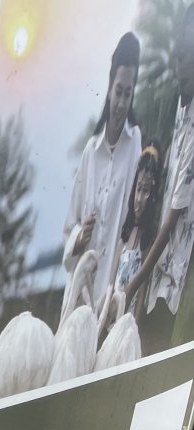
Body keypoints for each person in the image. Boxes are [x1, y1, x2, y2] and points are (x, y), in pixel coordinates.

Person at [62, 32, 143, 313]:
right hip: (79, 300)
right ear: (109, 88)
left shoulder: (135, 144)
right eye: (118, 92)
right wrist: (79, 237)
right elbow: (69, 226)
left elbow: (134, 221)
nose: (121, 104)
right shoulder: (90, 152)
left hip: (110, 299)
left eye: (128, 94)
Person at [131, 8, 194, 353]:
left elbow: (171, 222)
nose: (180, 67)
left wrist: (134, 283)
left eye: (187, 59)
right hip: (154, 278)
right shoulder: (181, 114)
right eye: (179, 57)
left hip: (171, 288)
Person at [103, 143, 162, 332]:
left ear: (152, 196)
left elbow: (141, 292)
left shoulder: (148, 241)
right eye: (138, 189)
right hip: (110, 323)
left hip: (126, 328)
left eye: (145, 191)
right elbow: (111, 284)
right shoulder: (125, 234)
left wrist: (133, 329)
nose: (139, 198)